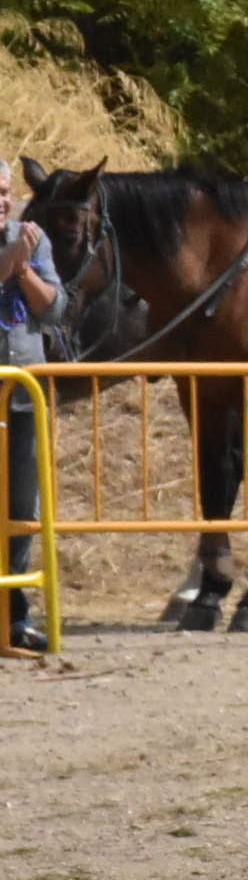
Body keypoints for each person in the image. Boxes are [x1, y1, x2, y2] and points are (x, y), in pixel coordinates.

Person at [0, 158, 60, 655]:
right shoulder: (22, 244)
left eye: (5, 192)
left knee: (22, 510)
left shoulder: (32, 237)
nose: (3, 200)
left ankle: (15, 617)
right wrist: (13, 262)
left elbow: (55, 307)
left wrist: (23, 269)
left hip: (24, 396)